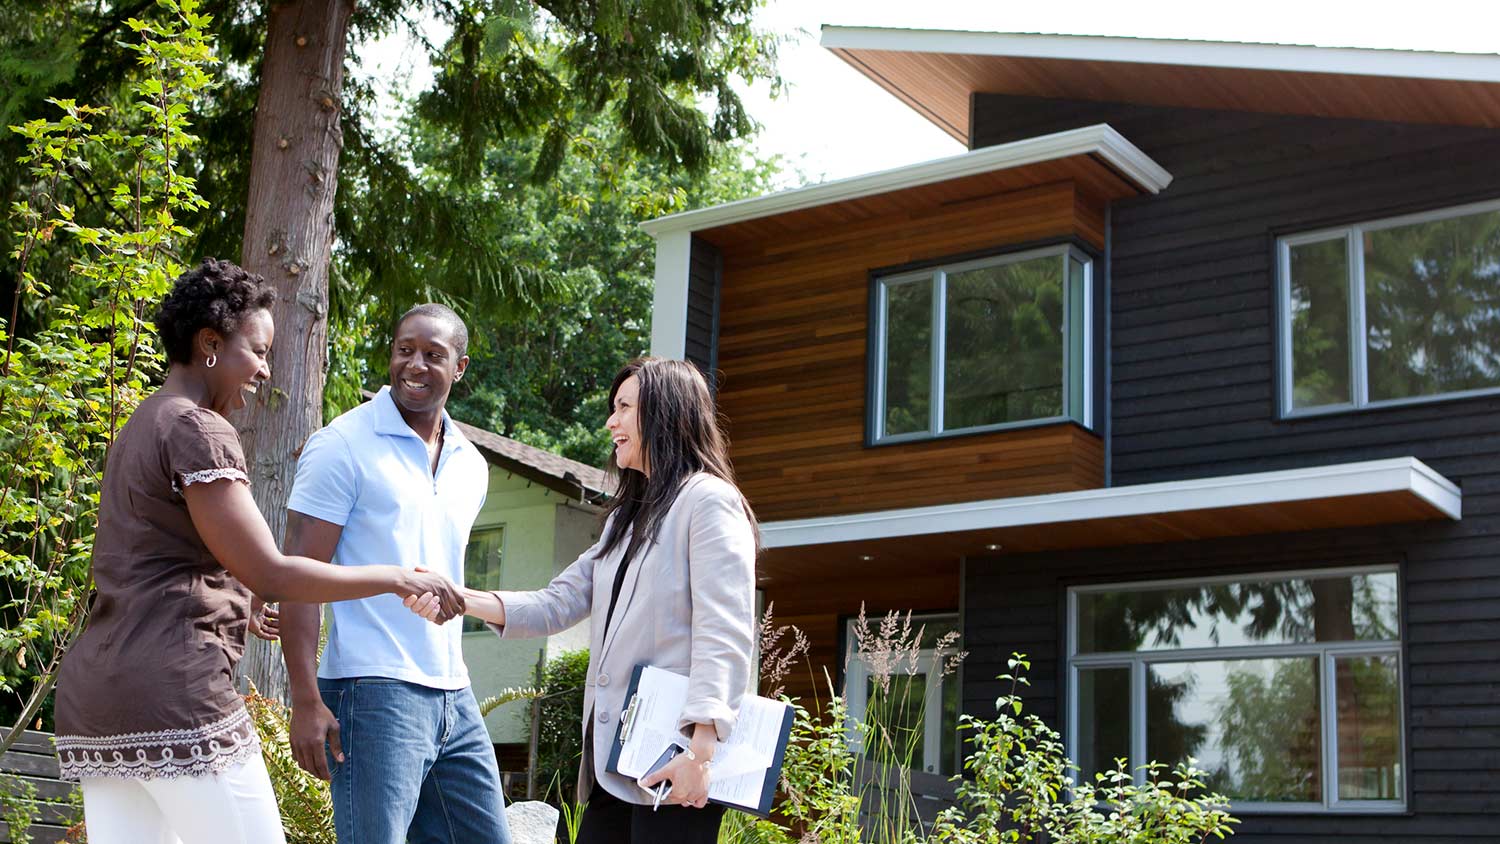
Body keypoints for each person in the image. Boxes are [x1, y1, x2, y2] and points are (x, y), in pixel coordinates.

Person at [52, 259, 465, 844]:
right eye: (259, 351)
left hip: (97, 700)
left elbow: (157, 553)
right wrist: (398, 577)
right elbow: (272, 571)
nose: (266, 371)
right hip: (174, 692)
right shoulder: (200, 429)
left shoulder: (143, 423)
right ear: (210, 343)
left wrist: (233, 589)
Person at [406, 357, 759, 844]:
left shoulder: (709, 502)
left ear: (666, 415)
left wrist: (701, 752)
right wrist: (459, 599)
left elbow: (726, 630)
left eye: (624, 408)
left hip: (676, 762)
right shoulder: (627, 520)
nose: (611, 422)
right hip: (615, 763)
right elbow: (558, 602)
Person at [278, 303, 512, 844]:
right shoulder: (342, 446)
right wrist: (305, 698)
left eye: (434, 355)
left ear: (461, 367)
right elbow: (297, 578)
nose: (415, 364)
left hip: (455, 690)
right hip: (371, 689)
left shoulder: (470, 466)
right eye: (405, 350)